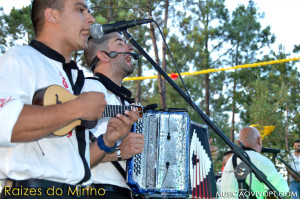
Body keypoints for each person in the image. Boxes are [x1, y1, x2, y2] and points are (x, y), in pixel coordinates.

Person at [0, 0, 138, 198]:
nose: (91, 19)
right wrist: (77, 108)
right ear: (52, 15)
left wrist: (109, 139)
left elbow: (78, 164)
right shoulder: (20, 58)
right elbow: (3, 123)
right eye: (81, 10)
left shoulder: (74, 77)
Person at [83, 32, 144, 199]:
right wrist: (119, 153)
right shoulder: (88, 89)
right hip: (98, 191)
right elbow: (73, 156)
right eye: (120, 44)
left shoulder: (125, 103)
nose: (130, 47)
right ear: (103, 55)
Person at [220, 127, 289, 199]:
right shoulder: (261, 160)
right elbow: (281, 191)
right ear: (259, 140)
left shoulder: (230, 161)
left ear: (238, 143)